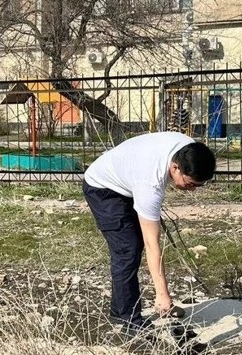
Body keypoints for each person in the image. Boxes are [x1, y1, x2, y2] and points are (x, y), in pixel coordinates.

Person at [82, 132, 216, 334]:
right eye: (190, 184)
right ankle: (127, 317)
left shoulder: (190, 149)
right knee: (127, 249)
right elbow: (153, 244)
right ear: (175, 168)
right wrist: (162, 294)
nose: (194, 190)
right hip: (103, 188)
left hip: (128, 177)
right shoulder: (149, 184)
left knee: (132, 246)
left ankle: (121, 309)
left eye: (199, 185)